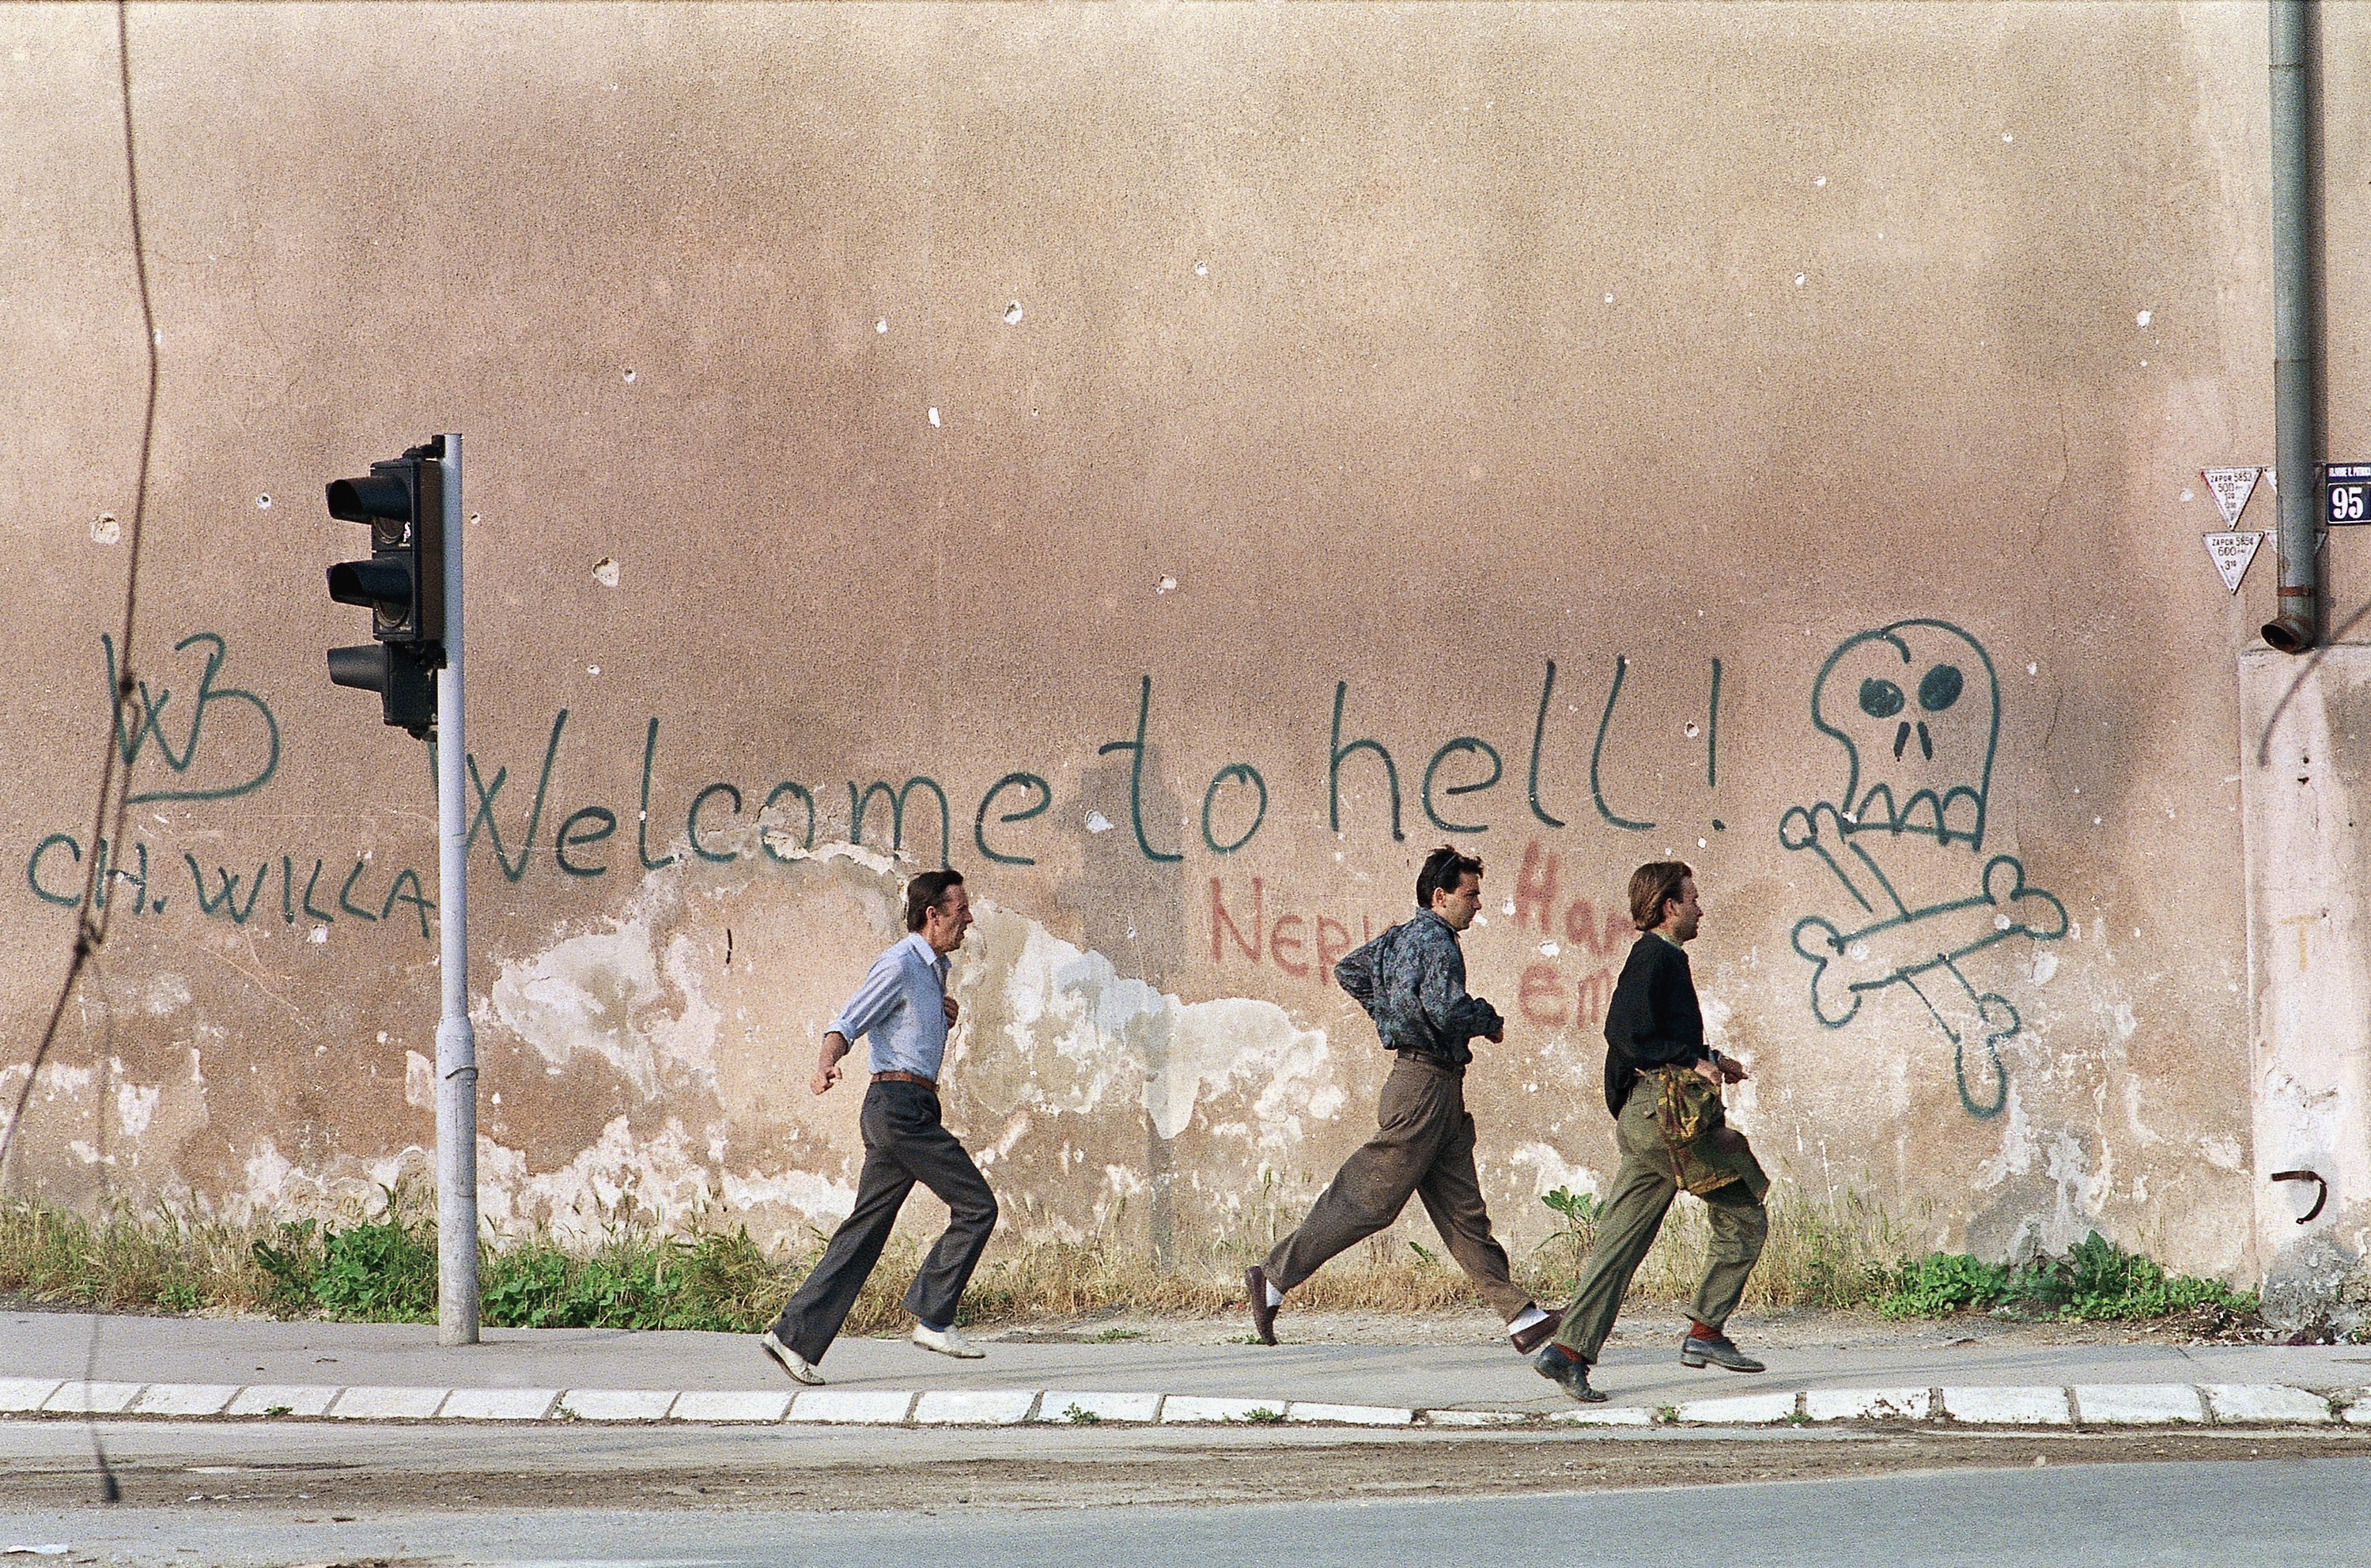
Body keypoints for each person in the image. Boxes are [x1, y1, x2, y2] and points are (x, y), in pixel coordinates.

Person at [1244, 845, 1560, 1355]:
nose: (1478, 904)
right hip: (1424, 1087)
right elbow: (1445, 1006)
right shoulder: (1438, 940)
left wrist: (1389, 1015)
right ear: (1441, 895)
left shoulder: (1399, 936)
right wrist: (1487, 1019)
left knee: (1461, 1209)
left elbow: (1351, 971)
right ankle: (1274, 1275)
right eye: (1471, 893)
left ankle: (1522, 1317)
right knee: (1370, 1198)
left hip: (1433, 1085)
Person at [1533, 860, 1769, 1404]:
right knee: (1743, 1209)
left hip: (1648, 1123)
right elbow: (1626, 1033)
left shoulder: (1663, 959)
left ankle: (1566, 1353)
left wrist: (1711, 1058)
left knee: (1619, 1242)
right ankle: (1705, 1333)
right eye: (1692, 897)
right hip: (1665, 1121)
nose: (1699, 907)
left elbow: (1654, 1035)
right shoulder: (1655, 956)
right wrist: (1692, 1058)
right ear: (1670, 906)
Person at [761, 869, 997, 1385]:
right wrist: (825, 1063)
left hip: (908, 1106)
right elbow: (846, 1021)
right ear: (932, 915)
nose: (969, 917)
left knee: (864, 1232)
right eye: (960, 908)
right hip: (899, 1106)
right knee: (978, 1205)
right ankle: (934, 1317)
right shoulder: (898, 963)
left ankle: (792, 1336)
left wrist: (941, 1012)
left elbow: (907, 1022)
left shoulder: (933, 970)